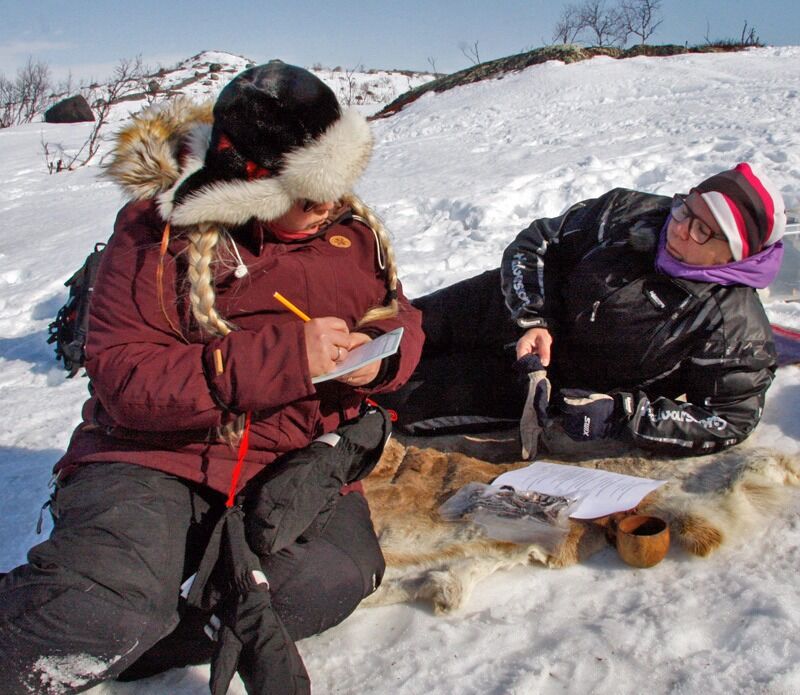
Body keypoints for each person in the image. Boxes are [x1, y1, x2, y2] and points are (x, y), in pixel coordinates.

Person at [0, 61, 423, 694]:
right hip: (160, 457)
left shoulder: (349, 234)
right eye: (308, 193)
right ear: (253, 187)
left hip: (295, 459)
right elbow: (124, 377)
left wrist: (379, 355)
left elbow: (403, 316)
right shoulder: (157, 233)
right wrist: (287, 358)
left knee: (328, 582)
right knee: (98, 608)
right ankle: (124, 616)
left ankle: (153, 625)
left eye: (338, 182)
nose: (331, 204)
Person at [380, 163, 785, 456]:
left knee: (397, 396)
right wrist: (534, 318)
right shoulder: (630, 212)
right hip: (507, 306)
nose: (679, 227)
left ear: (733, 253)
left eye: (702, 230)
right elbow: (538, 243)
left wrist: (622, 414)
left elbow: (729, 419)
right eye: (687, 208)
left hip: (543, 378)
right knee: (387, 336)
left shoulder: (734, 325)